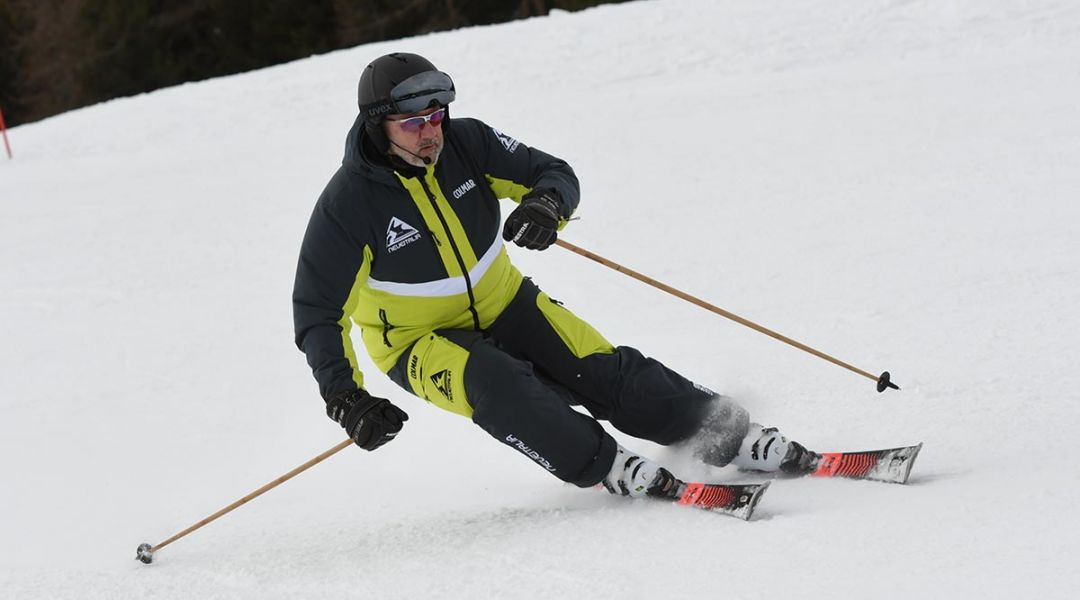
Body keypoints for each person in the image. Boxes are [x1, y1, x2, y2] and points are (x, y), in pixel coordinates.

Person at [292, 52, 816, 500]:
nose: (431, 132)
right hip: (416, 341)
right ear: (376, 125)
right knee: (499, 384)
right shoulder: (347, 206)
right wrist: (346, 398)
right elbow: (318, 312)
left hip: (505, 301)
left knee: (598, 368)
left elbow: (552, 173)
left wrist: (546, 206)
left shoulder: (468, 143)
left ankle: (731, 434)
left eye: (436, 116)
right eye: (413, 123)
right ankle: (610, 465)